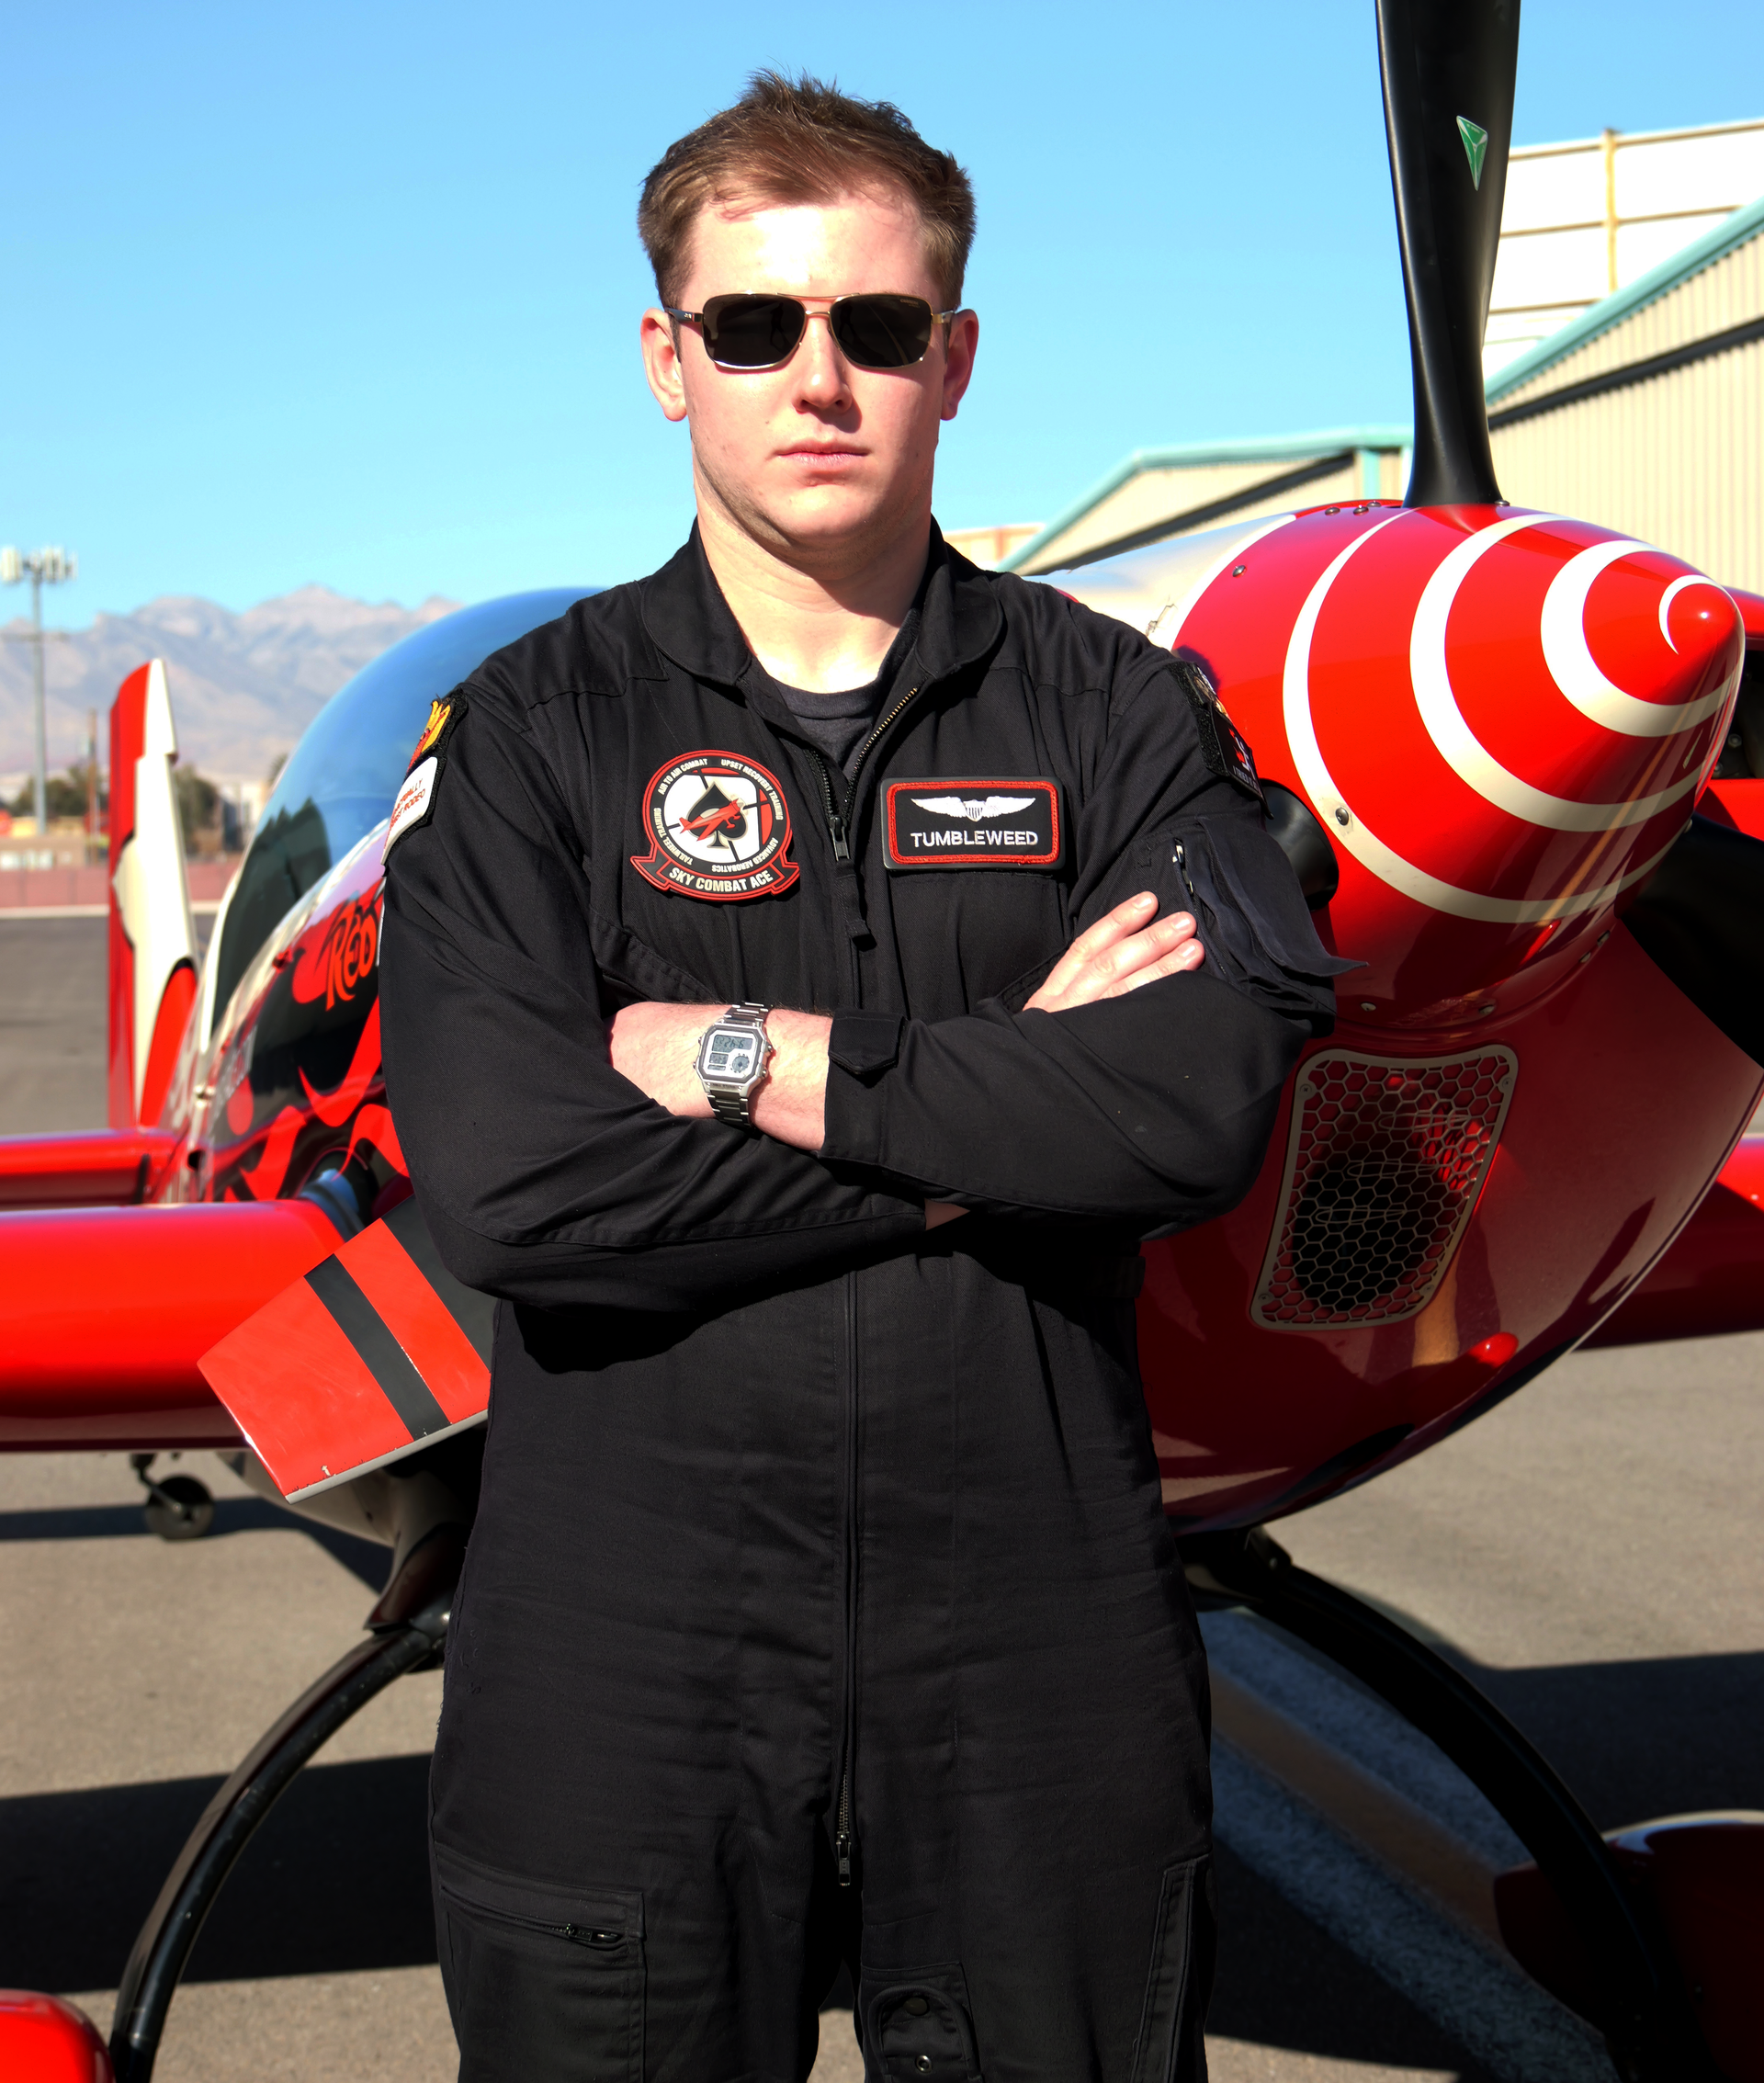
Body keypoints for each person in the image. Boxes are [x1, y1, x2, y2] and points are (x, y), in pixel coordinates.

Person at [380, 70, 1346, 2083]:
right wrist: (997, 1118)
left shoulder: (1127, 711)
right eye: (755, 326)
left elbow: (1191, 1110)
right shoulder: (532, 740)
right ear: (669, 359)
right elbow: (512, 1186)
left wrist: (752, 1059)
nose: (818, 378)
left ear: (956, 356)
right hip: (625, 1650)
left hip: (1038, 1642)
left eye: (877, 327)